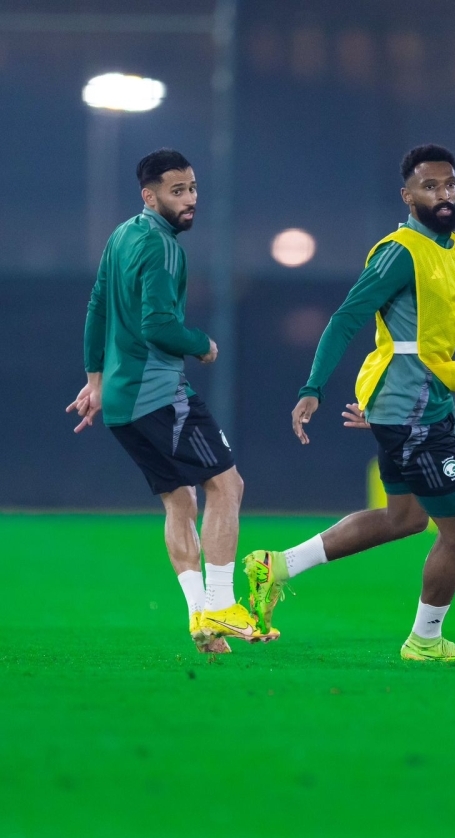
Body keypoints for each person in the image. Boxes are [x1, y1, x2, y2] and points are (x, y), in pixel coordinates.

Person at [244, 144, 455, 663]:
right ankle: (425, 641)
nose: (443, 194)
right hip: (413, 410)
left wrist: (381, 403)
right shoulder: (399, 252)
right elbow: (346, 319)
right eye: (429, 186)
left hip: (419, 401)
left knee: (405, 518)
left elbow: (423, 337)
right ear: (408, 196)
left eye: (449, 184)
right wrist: (313, 388)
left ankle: (276, 566)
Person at [67, 148, 276, 654]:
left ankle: (200, 619)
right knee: (226, 485)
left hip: (122, 404)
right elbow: (158, 326)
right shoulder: (162, 246)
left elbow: (97, 307)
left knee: (180, 501)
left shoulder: (121, 236)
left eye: (193, 189)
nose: (189, 200)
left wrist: (95, 381)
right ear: (150, 195)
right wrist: (202, 344)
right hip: (158, 394)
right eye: (177, 191)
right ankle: (222, 604)